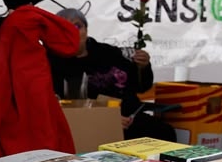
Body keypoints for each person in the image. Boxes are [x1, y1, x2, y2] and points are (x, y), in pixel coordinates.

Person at [48, 8, 177, 143]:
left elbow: (141, 86)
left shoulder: (109, 53)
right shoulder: (53, 62)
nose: (72, 31)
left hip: (130, 117)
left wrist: (143, 66)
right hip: (88, 123)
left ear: (86, 30)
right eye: (65, 27)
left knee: (163, 132)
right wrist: (107, 119)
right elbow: (62, 106)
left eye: (77, 26)